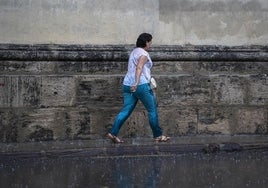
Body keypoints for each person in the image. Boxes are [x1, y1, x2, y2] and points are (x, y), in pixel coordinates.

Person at [107, 33, 170, 143]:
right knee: (152, 110)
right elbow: (139, 67)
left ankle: (113, 133)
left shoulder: (134, 52)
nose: (151, 44)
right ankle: (158, 136)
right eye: (150, 42)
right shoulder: (144, 54)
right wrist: (136, 83)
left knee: (126, 111)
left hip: (127, 85)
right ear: (146, 42)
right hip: (140, 85)